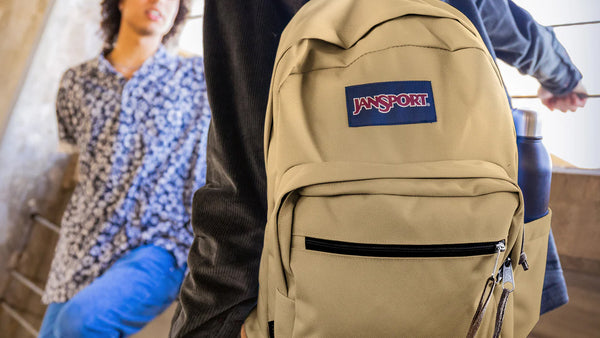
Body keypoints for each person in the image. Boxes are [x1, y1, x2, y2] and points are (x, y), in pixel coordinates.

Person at [170, 0, 586, 337]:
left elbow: (240, 129)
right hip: (477, 254)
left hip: (270, 247)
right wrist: (562, 77)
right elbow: (502, 19)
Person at [39, 0, 211, 336]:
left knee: (81, 322)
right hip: (83, 241)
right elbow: (81, 163)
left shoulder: (197, 80)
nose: (159, 2)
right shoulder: (77, 82)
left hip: (161, 243)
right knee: (53, 331)